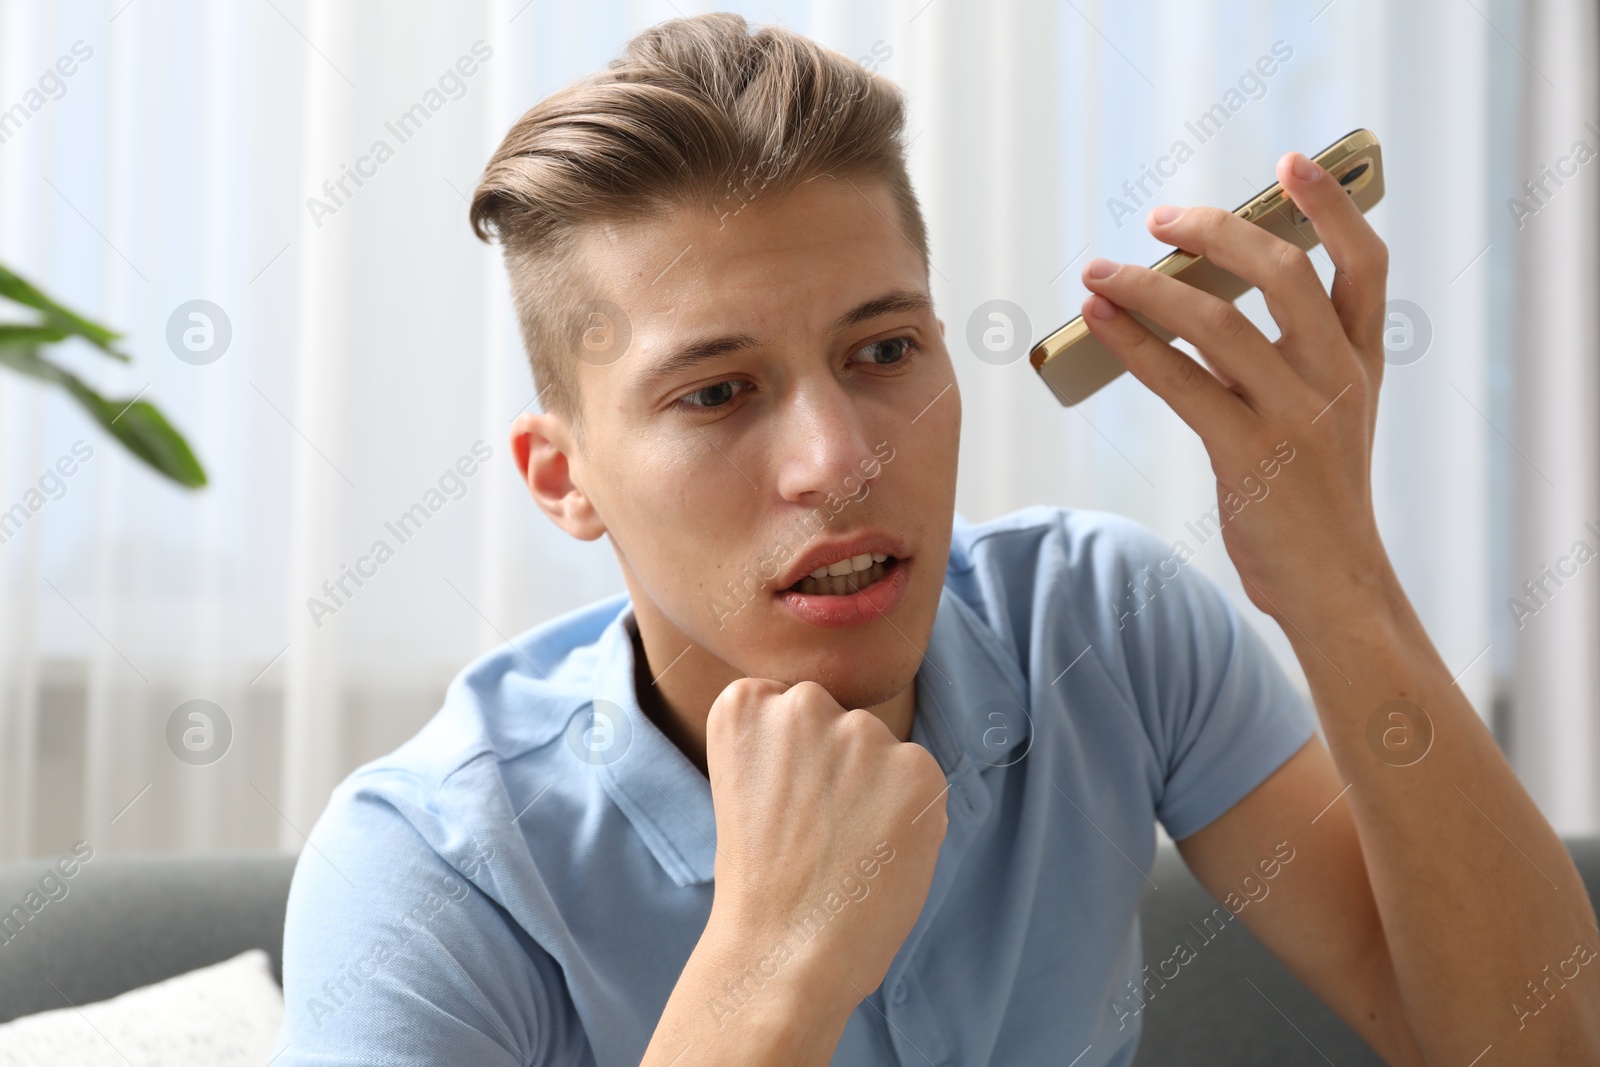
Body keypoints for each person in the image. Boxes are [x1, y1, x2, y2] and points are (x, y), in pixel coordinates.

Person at [272, 12, 1600, 1066]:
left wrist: (1338, 576)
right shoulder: (429, 868)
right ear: (565, 480)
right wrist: (770, 964)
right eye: (717, 392)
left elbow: (1528, 1046)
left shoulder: (1103, 629)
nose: (842, 460)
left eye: (886, 348)